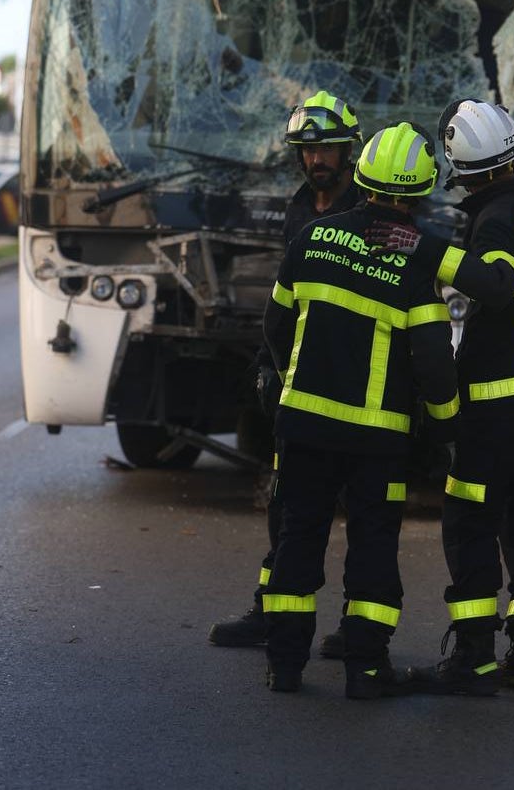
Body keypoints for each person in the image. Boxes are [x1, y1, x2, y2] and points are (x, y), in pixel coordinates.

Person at [366, 99, 514, 696]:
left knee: (469, 524)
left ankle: (474, 659)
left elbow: (498, 285)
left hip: (495, 410)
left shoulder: (501, 219)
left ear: (471, 172)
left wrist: (424, 247)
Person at [259, 122, 460, 697]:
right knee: (373, 551)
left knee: (297, 541)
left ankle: (285, 665)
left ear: (363, 178)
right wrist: (445, 429)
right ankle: (367, 671)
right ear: (420, 195)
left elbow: (276, 326)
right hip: (377, 442)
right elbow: (433, 364)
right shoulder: (415, 265)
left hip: (301, 428)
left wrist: (294, 384)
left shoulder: (312, 240)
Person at [208, 91, 363, 649]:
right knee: (287, 505)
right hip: (299, 381)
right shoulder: (299, 209)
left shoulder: (371, 211)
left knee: (367, 517)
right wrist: (266, 364)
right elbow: (285, 299)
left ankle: (358, 630)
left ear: (350, 150)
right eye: (307, 150)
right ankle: (271, 612)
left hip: (358, 382)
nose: (317, 160)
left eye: (327, 149)